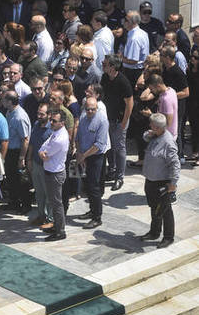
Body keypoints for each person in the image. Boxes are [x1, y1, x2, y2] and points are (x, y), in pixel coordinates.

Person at [140, 113, 180, 249]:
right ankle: (154, 232)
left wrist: (173, 184)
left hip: (162, 182)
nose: (149, 126)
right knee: (154, 208)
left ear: (158, 127)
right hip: (151, 180)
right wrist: (149, 135)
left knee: (165, 210)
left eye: (151, 125)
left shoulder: (168, 143)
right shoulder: (155, 135)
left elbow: (175, 165)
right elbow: (145, 137)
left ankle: (168, 237)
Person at [75, 97, 110, 229]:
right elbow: (78, 137)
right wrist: (79, 153)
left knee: (94, 187)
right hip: (83, 155)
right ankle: (92, 210)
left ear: (97, 108)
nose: (89, 111)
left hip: (95, 157)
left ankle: (97, 217)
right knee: (86, 185)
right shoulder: (83, 117)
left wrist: (84, 156)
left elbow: (99, 144)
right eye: (87, 109)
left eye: (92, 109)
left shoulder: (102, 121)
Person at [101, 54, 134, 191]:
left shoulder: (123, 82)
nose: (103, 64)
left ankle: (119, 177)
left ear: (112, 67)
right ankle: (112, 170)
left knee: (119, 148)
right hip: (107, 119)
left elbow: (129, 104)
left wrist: (123, 123)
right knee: (109, 146)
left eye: (105, 63)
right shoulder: (105, 78)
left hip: (119, 120)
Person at [38, 110, 69, 242]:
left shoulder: (60, 139)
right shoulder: (56, 133)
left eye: (54, 121)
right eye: (51, 120)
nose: (51, 122)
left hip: (55, 174)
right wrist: (42, 152)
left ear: (62, 123)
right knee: (54, 202)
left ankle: (60, 231)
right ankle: (56, 226)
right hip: (51, 172)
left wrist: (42, 152)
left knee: (56, 204)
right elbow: (42, 148)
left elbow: (46, 152)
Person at [2, 91, 32, 213]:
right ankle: (14, 202)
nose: (1, 102)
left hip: (17, 152)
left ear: (10, 101)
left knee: (21, 180)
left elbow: (25, 139)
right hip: (9, 151)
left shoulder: (20, 117)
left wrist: (22, 158)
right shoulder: (9, 112)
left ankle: (25, 205)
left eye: (4, 100)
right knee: (11, 179)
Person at [27, 103, 53, 228]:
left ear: (49, 115)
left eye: (42, 114)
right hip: (36, 164)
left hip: (46, 166)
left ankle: (50, 219)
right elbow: (31, 143)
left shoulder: (52, 129)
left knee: (48, 194)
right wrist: (29, 159)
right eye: (38, 113)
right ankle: (41, 215)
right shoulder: (36, 125)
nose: (39, 116)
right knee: (39, 193)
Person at [121, 10, 150, 86]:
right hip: (138, 70)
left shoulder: (134, 38)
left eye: (126, 20)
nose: (124, 21)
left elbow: (133, 60)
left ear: (132, 22)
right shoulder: (142, 33)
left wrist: (120, 58)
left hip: (133, 73)